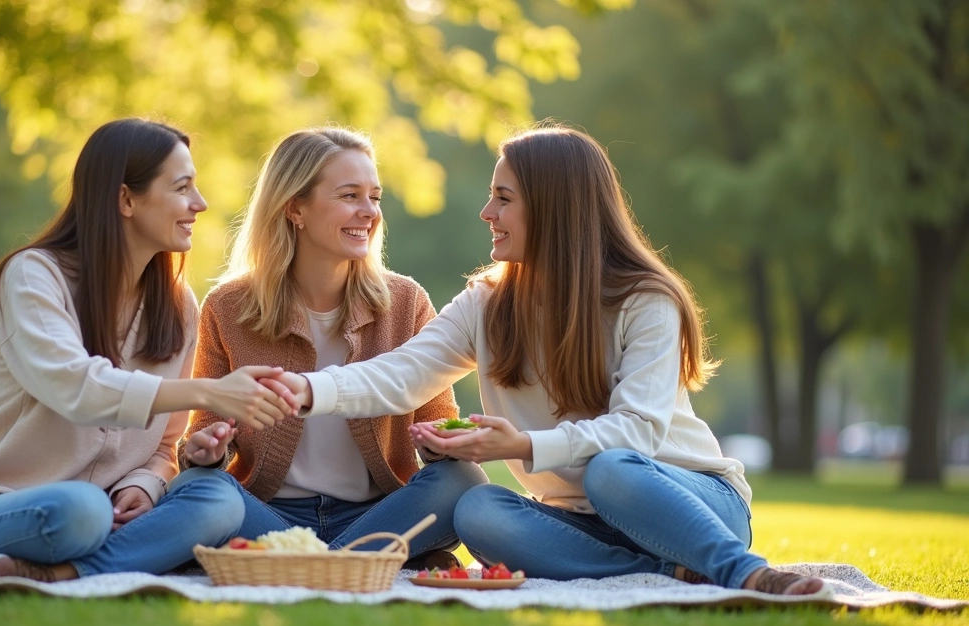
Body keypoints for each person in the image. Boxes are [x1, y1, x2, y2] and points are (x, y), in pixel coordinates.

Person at [278, 125, 827, 596]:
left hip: (688, 500)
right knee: (479, 509)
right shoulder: (487, 302)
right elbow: (400, 374)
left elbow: (635, 432)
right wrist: (307, 391)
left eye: (504, 197)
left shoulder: (644, 300)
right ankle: (667, 569)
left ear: (554, 206)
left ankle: (743, 571)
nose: (486, 212)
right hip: (582, 522)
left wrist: (522, 446)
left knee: (611, 468)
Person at [0, 118, 297, 582]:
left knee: (218, 498)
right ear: (126, 199)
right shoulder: (34, 276)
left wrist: (145, 483)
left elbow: (165, 446)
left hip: (100, 512)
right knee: (81, 510)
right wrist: (208, 392)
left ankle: (66, 573)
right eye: (182, 187)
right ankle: (123, 553)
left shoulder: (177, 305)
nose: (200, 203)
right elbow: (75, 387)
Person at [179, 127, 487, 567]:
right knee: (192, 489)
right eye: (350, 196)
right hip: (268, 513)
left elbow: (436, 428)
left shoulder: (406, 301)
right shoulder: (228, 307)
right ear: (295, 208)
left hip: (378, 511)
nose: (369, 212)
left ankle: (306, 564)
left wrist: (445, 442)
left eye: (375, 197)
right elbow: (204, 436)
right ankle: (363, 562)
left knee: (464, 480)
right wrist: (202, 453)